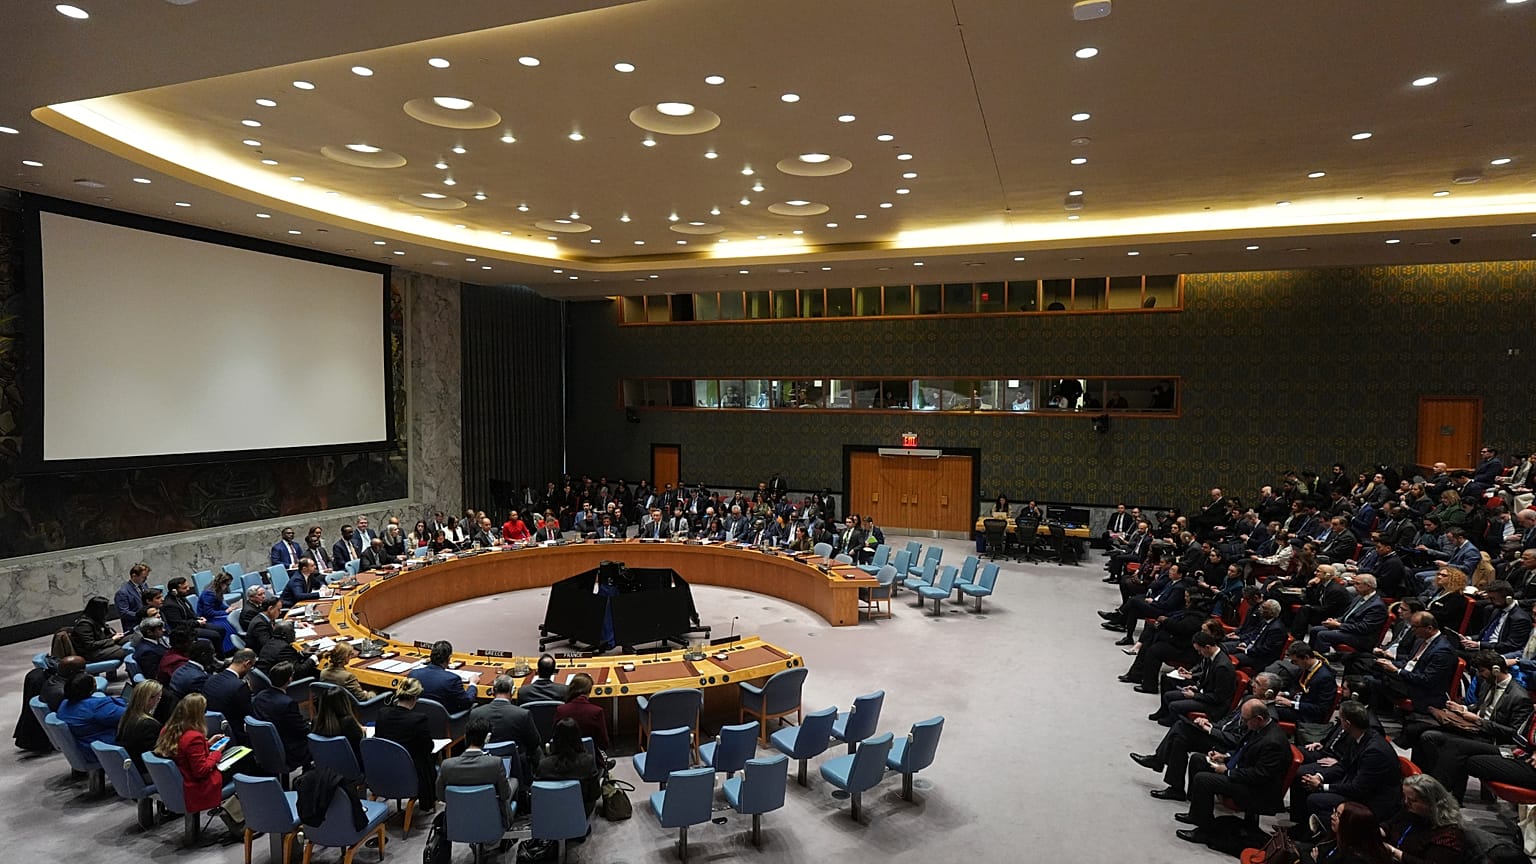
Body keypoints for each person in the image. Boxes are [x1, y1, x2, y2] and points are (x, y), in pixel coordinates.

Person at [1174, 699, 1292, 844]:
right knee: (1198, 760)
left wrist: (1227, 772)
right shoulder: (1258, 728)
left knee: (1203, 780)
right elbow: (1244, 749)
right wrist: (1225, 756)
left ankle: (1203, 832)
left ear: (1259, 718)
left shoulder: (1273, 742)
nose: (1243, 722)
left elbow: (1260, 775)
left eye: (1245, 719)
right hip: (1244, 773)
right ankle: (1196, 814)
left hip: (1256, 790)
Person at [1287, 700, 1401, 839]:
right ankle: (1301, 828)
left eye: (1340, 719)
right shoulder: (1359, 736)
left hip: (1373, 799)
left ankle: (1318, 837)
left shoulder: (1374, 751)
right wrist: (1319, 776)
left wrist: (1322, 786)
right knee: (1305, 778)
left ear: (1347, 723)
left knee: (1316, 799)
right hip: (1355, 782)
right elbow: (1342, 765)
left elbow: (1358, 789)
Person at [153, 693, 241, 829]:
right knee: (243, 765)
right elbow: (201, 771)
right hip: (198, 785)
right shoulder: (193, 737)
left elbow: (183, 751)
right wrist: (217, 752)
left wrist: (207, 744)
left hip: (181, 778)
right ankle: (239, 819)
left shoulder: (167, 730)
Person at [438, 716, 515, 834]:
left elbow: (441, 797)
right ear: (487, 738)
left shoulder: (446, 766)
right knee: (514, 782)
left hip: (459, 823)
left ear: (465, 737)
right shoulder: (495, 763)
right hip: (491, 822)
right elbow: (505, 795)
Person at [375, 678, 439, 813]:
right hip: (411, 771)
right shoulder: (418, 719)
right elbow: (428, 747)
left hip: (384, 768)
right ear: (415, 697)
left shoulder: (382, 713)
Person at [1380, 775, 1466, 862]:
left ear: (1432, 803)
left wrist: (1394, 852)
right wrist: (1378, 831)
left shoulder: (1449, 835)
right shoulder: (1412, 812)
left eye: (1413, 800)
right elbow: (1389, 825)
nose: (1406, 802)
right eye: (1404, 797)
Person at [251, 661, 311, 770]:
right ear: (290, 679)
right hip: (288, 749)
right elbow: (302, 729)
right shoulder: (287, 703)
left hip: (265, 745)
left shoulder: (259, 696)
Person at [536, 718, 601, 816]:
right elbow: (595, 794)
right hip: (580, 813)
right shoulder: (587, 762)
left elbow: (538, 797)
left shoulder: (543, 765)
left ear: (555, 739)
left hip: (549, 814)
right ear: (578, 738)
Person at [56, 672, 126, 747]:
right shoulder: (97, 706)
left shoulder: (64, 704)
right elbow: (128, 715)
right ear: (91, 689)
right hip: (107, 744)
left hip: (85, 743)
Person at [203, 648, 256, 743]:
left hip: (211, 732)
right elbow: (248, 715)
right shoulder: (240, 686)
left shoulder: (210, 680)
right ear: (247, 663)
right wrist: (249, 692)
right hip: (235, 736)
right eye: (251, 667)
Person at [408, 640, 474, 712]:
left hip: (418, 715)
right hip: (447, 717)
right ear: (449, 658)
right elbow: (467, 703)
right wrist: (472, 684)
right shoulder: (452, 679)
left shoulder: (413, 674)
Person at [553, 672, 610, 756]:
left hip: (564, 758)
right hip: (591, 758)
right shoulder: (596, 711)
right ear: (589, 691)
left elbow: (555, 737)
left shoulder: (560, 710)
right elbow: (604, 744)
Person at [116, 678, 163, 778]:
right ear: (149, 699)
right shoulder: (149, 725)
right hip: (146, 772)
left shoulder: (127, 717)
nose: (158, 701)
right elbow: (156, 755)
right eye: (158, 698)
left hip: (131, 768)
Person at [161, 576, 224, 649]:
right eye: (184, 588)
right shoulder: (169, 605)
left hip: (193, 624)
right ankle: (217, 654)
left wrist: (198, 618)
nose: (188, 589)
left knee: (221, 629)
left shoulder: (180, 597)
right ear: (174, 591)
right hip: (185, 630)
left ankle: (220, 650)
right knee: (215, 635)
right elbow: (178, 624)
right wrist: (197, 622)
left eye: (187, 586)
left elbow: (189, 612)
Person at [72, 595, 130, 664]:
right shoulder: (84, 624)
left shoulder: (96, 619)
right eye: (105, 609)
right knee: (126, 650)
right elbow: (90, 645)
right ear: (98, 611)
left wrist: (114, 636)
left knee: (131, 639)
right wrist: (112, 639)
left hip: (102, 645)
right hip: (92, 653)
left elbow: (101, 636)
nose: (107, 612)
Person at [312, 685, 365, 760]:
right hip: (352, 762)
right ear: (344, 702)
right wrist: (362, 731)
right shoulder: (348, 722)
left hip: (327, 763)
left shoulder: (316, 722)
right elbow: (360, 743)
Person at [197, 572, 239, 653]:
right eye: (227, 584)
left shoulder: (217, 590)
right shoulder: (209, 593)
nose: (228, 587)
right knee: (227, 624)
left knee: (233, 619)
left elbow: (220, 604)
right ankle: (227, 650)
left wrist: (228, 608)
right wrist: (225, 612)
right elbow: (208, 612)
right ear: (222, 583)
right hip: (208, 618)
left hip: (215, 615)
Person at [114, 562, 152, 630]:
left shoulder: (144, 585)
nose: (145, 580)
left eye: (146, 577)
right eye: (143, 577)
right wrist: (142, 614)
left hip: (147, 623)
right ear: (134, 576)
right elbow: (123, 613)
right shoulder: (122, 593)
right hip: (134, 626)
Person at [133, 617, 169, 681]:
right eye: (160, 629)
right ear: (150, 632)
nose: (163, 630)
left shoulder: (153, 643)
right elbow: (154, 675)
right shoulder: (147, 652)